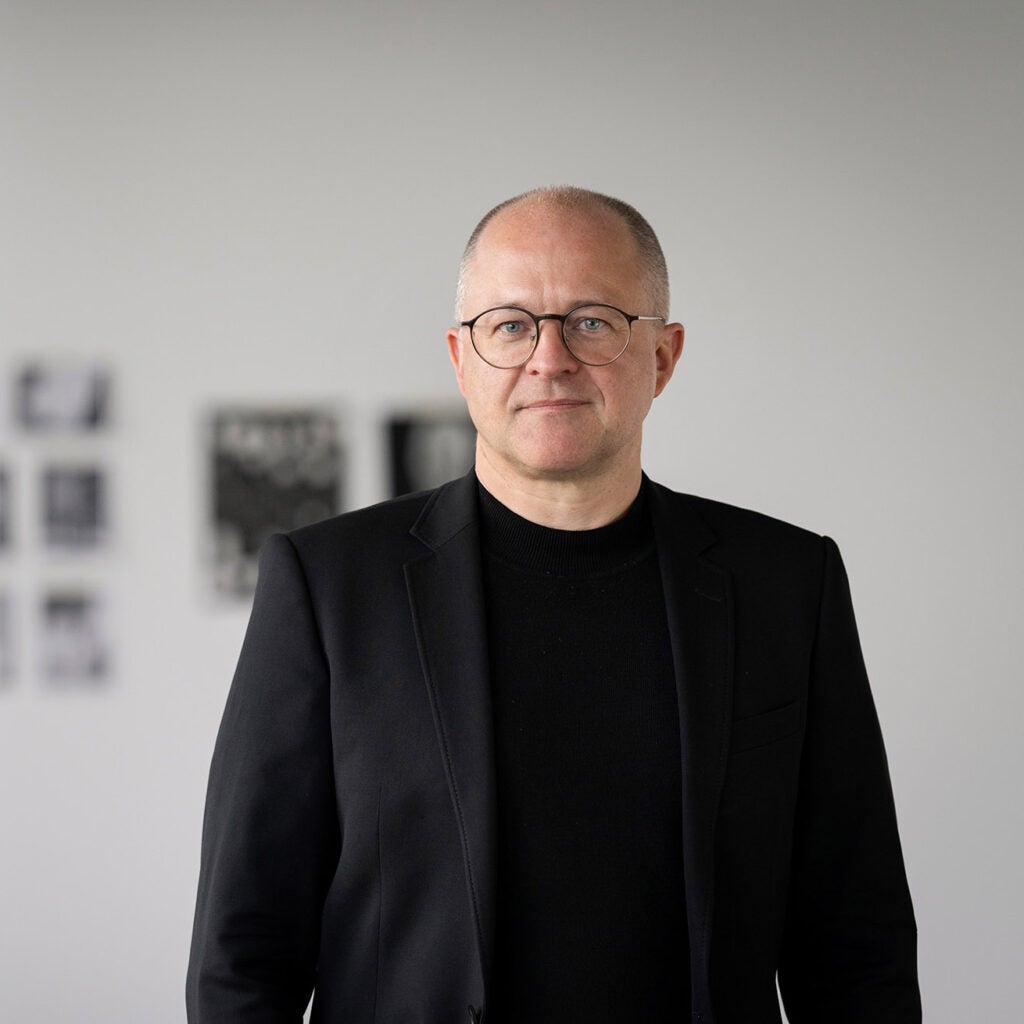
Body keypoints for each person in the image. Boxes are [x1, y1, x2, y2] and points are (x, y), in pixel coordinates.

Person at [187, 187, 920, 1023]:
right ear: (462, 360)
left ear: (664, 357)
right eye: (510, 324)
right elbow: (242, 953)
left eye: (593, 321)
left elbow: (858, 949)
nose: (549, 359)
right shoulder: (327, 587)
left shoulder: (789, 584)